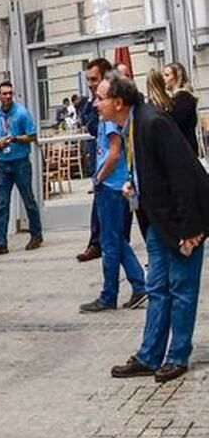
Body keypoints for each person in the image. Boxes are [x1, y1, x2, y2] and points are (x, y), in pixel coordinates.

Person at [106, 73, 209, 383]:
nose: (95, 104)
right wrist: (133, 185)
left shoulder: (153, 122)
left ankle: (177, 355)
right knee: (157, 289)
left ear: (118, 102)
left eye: (100, 97)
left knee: (181, 289)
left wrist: (191, 229)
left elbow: (185, 175)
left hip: (182, 222)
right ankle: (150, 355)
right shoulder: (132, 125)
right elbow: (154, 174)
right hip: (158, 222)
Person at [80, 76, 146, 313]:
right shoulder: (106, 116)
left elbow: (115, 153)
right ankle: (139, 285)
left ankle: (110, 294)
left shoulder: (110, 119)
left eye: (99, 96)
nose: (96, 102)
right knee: (117, 239)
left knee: (110, 243)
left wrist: (99, 178)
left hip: (111, 187)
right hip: (114, 185)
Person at [0, 80, 44, 256]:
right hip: (3, 163)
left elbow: (32, 136)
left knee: (28, 200)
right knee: (1, 204)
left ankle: (36, 235)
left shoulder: (22, 113)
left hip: (20, 162)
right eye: (4, 94)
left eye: (10, 93)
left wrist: (16, 138)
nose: (7, 96)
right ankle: (0, 242)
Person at [77, 57, 119, 263]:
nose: (91, 84)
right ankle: (97, 243)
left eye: (94, 79)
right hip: (105, 172)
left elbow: (115, 150)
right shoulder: (93, 106)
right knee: (113, 236)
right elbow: (91, 125)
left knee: (117, 237)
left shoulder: (112, 114)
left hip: (116, 177)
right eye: (88, 80)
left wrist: (100, 177)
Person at [163, 62, 200, 153]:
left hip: (185, 152)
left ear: (177, 77)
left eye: (167, 75)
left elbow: (173, 123)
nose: (163, 78)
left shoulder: (184, 98)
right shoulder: (177, 98)